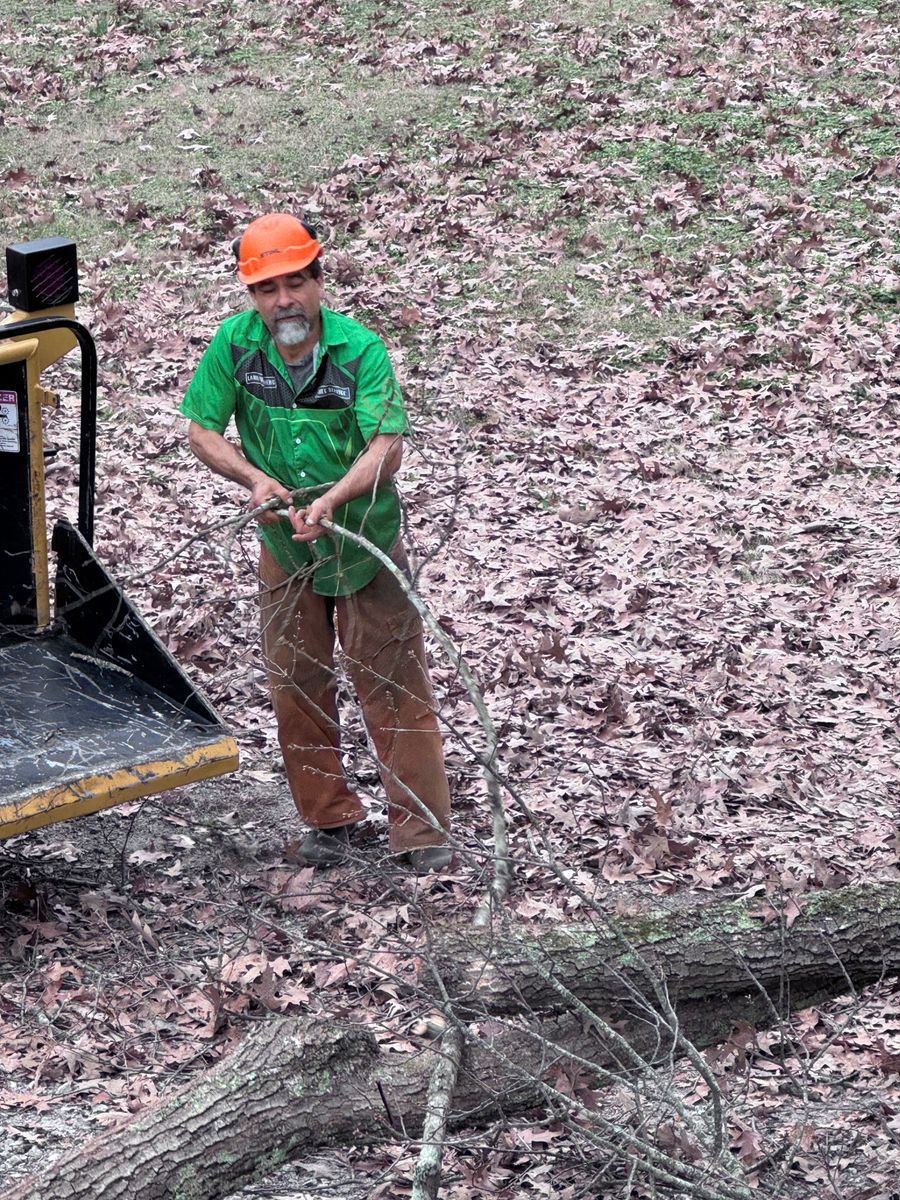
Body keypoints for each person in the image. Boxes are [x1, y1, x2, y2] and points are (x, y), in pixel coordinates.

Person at [179, 213, 452, 872]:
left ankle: (421, 833)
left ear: (319, 281)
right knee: (296, 682)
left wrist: (333, 499)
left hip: (362, 542)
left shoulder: (359, 351)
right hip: (287, 550)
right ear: (250, 295)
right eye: (267, 289)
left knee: (391, 684)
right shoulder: (236, 347)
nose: (283, 301)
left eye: (295, 283)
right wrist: (254, 478)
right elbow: (200, 429)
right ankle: (328, 819)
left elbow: (387, 447)